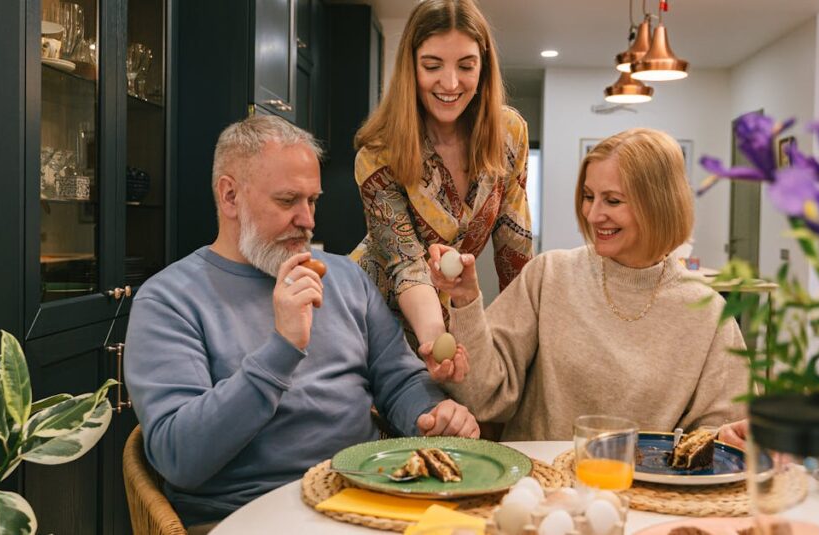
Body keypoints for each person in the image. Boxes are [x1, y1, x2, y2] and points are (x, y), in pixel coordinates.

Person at [124, 115, 479, 531]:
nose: (308, 220)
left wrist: (432, 414)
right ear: (230, 196)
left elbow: (400, 381)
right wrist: (283, 347)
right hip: (246, 517)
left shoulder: (345, 278)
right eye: (288, 200)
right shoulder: (169, 300)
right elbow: (179, 458)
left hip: (367, 499)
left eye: (312, 201)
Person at [425, 128, 748, 440]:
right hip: (540, 473)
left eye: (613, 201)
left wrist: (727, 438)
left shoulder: (708, 312)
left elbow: (722, 431)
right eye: (589, 196)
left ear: (659, 203)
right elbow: (483, 396)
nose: (593, 215)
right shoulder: (549, 275)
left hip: (643, 478)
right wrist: (466, 299)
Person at [350, 0, 533, 357]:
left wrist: (523, 347)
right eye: (432, 66)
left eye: (466, 66)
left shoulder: (509, 134)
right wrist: (436, 341)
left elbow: (515, 251)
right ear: (411, 67)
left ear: (483, 67)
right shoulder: (378, 153)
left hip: (447, 318)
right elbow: (407, 265)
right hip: (372, 318)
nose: (450, 83)